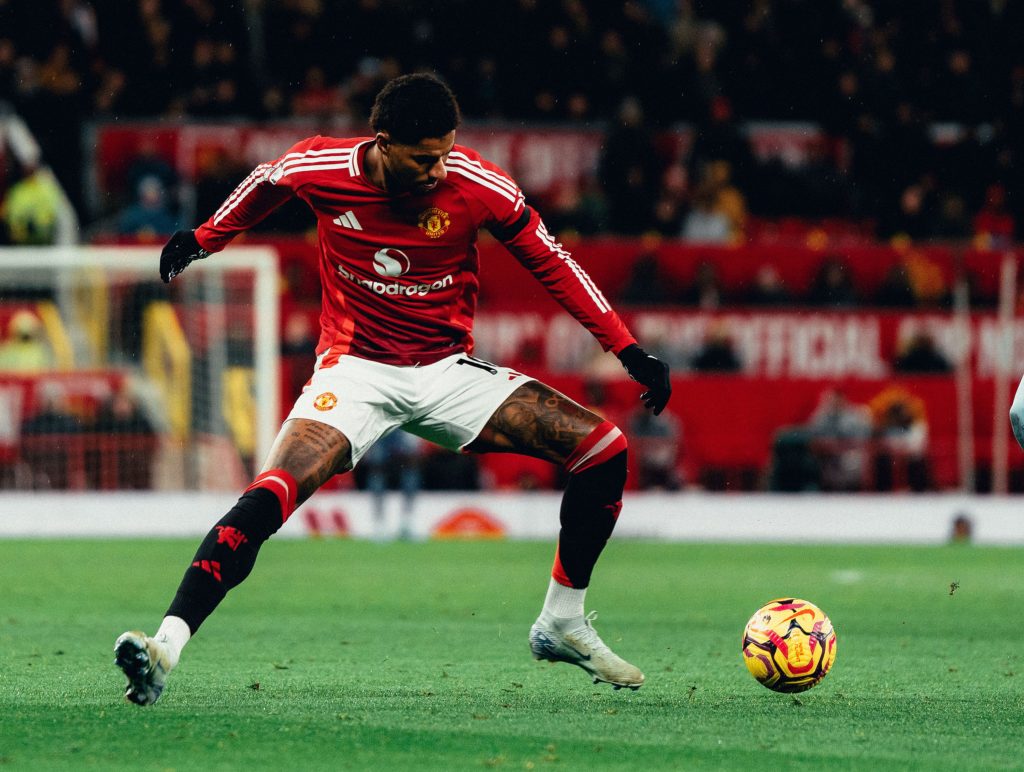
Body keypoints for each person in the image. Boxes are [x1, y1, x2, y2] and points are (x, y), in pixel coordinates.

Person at [114, 74, 672, 705]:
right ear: (383, 142)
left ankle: (562, 622)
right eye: (425, 157)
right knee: (271, 492)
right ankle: (164, 649)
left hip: (446, 371)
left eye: (447, 152)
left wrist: (627, 349)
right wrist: (204, 238)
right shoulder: (323, 167)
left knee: (603, 449)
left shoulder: (477, 184)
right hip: (354, 370)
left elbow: (552, 262)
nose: (440, 169)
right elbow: (267, 181)